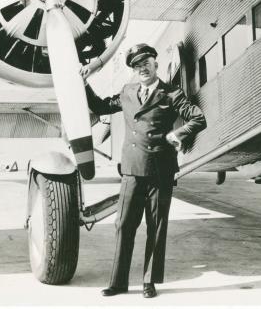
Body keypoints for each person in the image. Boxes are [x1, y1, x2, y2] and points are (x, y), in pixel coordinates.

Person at [81, 43, 207, 298]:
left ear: (155, 65)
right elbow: (102, 107)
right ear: (134, 70)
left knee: (155, 226)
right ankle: (118, 282)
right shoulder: (127, 92)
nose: (142, 69)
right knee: (124, 224)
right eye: (137, 66)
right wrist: (83, 85)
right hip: (132, 169)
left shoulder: (172, 94)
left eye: (146, 63)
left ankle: (149, 281)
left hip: (160, 171)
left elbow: (198, 118)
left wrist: (177, 133)